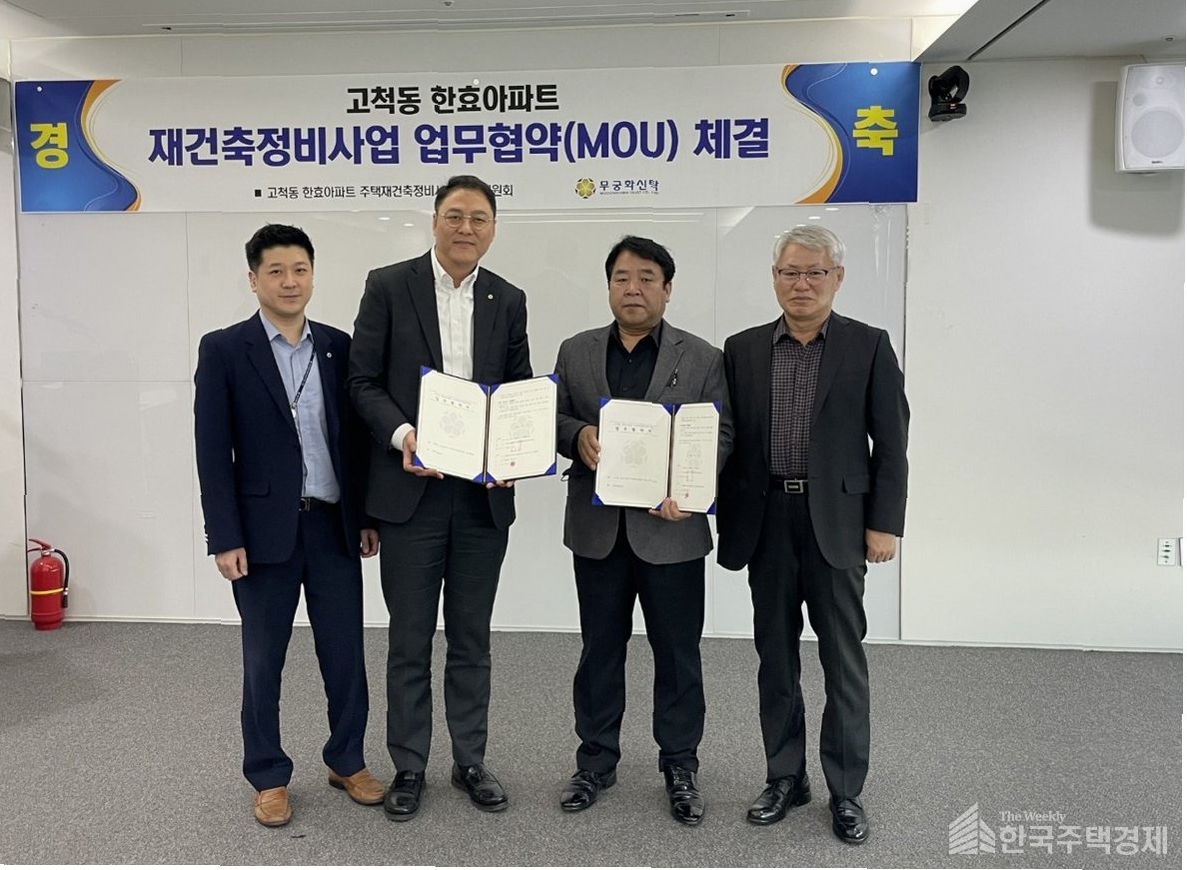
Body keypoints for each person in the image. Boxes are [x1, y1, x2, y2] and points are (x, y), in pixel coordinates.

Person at [347, 174, 532, 821]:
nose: (465, 228)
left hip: (481, 499)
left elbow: (516, 392)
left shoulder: (508, 298)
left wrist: (513, 452)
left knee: (472, 638)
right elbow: (362, 381)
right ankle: (409, 764)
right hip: (410, 494)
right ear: (433, 221)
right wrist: (405, 435)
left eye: (478, 218)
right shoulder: (387, 285)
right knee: (409, 638)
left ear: (492, 228)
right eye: (454, 215)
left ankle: (470, 759)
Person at [717, 224, 909, 845]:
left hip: (840, 526)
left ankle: (846, 790)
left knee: (842, 660)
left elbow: (892, 443)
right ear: (774, 278)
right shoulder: (742, 349)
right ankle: (784, 777)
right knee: (775, 658)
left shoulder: (868, 346)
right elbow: (724, 440)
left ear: (837, 278)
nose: (801, 284)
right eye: (789, 273)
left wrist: (884, 523)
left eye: (814, 272)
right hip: (766, 521)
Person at [194, 223, 384, 828]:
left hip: (332, 526)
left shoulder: (337, 346)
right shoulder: (224, 350)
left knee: (345, 654)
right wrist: (224, 536)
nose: (289, 281)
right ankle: (268, 774)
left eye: (300, 269)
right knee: (263, 660)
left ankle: (347, 760)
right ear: (254, 280)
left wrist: (366, 516)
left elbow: (355, 442)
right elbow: (212, 451)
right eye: (275, 271)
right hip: (261, 535)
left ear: (313, 275)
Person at [552, 236, 732, 826]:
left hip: (671, 532)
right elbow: (553, 416)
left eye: (647, 278)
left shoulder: (702, 357)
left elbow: (722, 434)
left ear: (667, 289)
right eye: (622, 278)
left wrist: (692, 489)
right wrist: (576, 434)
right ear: (609, 287)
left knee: (677, 654)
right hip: (598, 531)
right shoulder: (576, 350)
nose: (633, 288)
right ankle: (595, 762)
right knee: (599, 651)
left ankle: (680, 765)